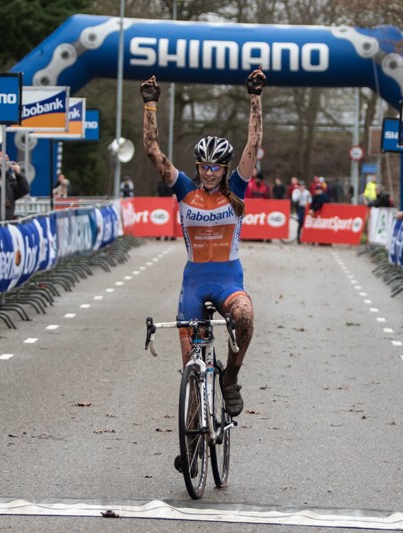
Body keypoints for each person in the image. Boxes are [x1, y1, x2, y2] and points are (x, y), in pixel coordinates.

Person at [140, 67, 265, 420]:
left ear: (225, 168)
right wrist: (150, 105)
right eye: (204, 166)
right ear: (198, 166)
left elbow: (252, 145)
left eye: (216, 167)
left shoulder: (236, 190)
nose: (210, 172)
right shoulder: (185, 191)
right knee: (192, 373)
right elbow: (152, 150)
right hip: (193, 283)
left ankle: (230, 379)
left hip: (228, 280)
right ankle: (193, 438)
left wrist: (255, 98)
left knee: (244, 315)